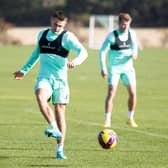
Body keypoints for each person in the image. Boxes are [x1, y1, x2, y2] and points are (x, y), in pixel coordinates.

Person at [13, 10, 88, 159]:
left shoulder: (67, 37)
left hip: (61, 81)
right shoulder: (42, 34)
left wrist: (75, 62)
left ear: (64, 24)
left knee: (60, 112)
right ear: (51, 21)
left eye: (60, 25)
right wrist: (24, 70)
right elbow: (35, 54)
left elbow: (83, 52)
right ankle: (53, 127)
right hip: (45, 77)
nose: (57, 28)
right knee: (40, 95)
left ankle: (60, 149)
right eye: (55, 24)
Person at [99, 13, 138, 128]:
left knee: (133, 93)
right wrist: (103, 68)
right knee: (111, 93)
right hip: (114, 69)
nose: (124, 27)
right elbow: (102, 52)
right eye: (122, 24)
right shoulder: (112, 36)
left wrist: (135, 53)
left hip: (128, 69)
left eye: (127, 24)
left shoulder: (132, 34)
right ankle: (107, 120)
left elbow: (134, 45)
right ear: (118, 23)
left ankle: (130, 118)